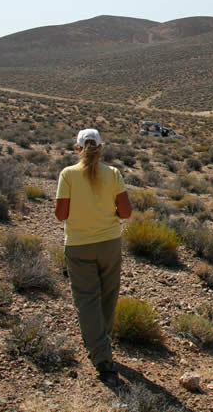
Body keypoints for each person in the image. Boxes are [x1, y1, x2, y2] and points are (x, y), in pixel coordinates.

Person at [54, 128, 132, 385]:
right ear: (101, 148)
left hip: (79, 245)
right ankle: (102, 344)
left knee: (87, 300)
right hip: (109, 243)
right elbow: (125, 212)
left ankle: (101, 356)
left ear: (78, 148)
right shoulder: (114, 174)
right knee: (108, 296)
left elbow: (61, 214)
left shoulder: (68, 175)